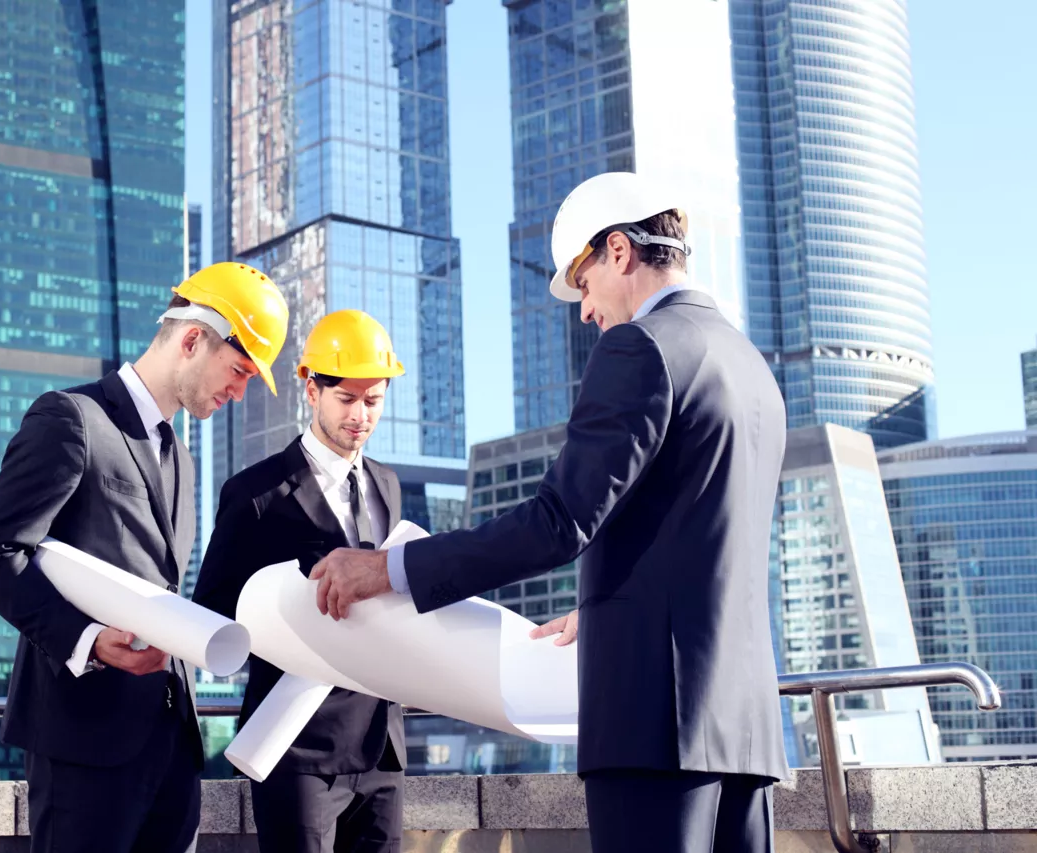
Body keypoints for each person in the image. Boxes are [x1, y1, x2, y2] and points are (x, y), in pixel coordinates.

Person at [309, 172, 790, 853]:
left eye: (583, 282)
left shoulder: (642, 346)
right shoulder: (750, 364)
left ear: (618, 251)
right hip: (745, 733)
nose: (586, 310)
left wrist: (391, 569)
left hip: (654, 729)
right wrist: (613, 607)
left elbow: (558, 520)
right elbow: (705, 541)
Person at [0, 262, 289, 853]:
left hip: (169, 748)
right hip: (83, 743)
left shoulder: (182, 459)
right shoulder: (71, 419)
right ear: (193, 340)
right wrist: (87, 639)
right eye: (239, 370)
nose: (240, 391)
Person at [193, 310, 408, 853]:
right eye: (348, 399)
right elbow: (214, 611)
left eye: (374, 400)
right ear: (311, 389)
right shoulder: (255, 494)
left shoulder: (387, 483)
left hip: (383, 748)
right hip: (299, 752)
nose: (361, 416)